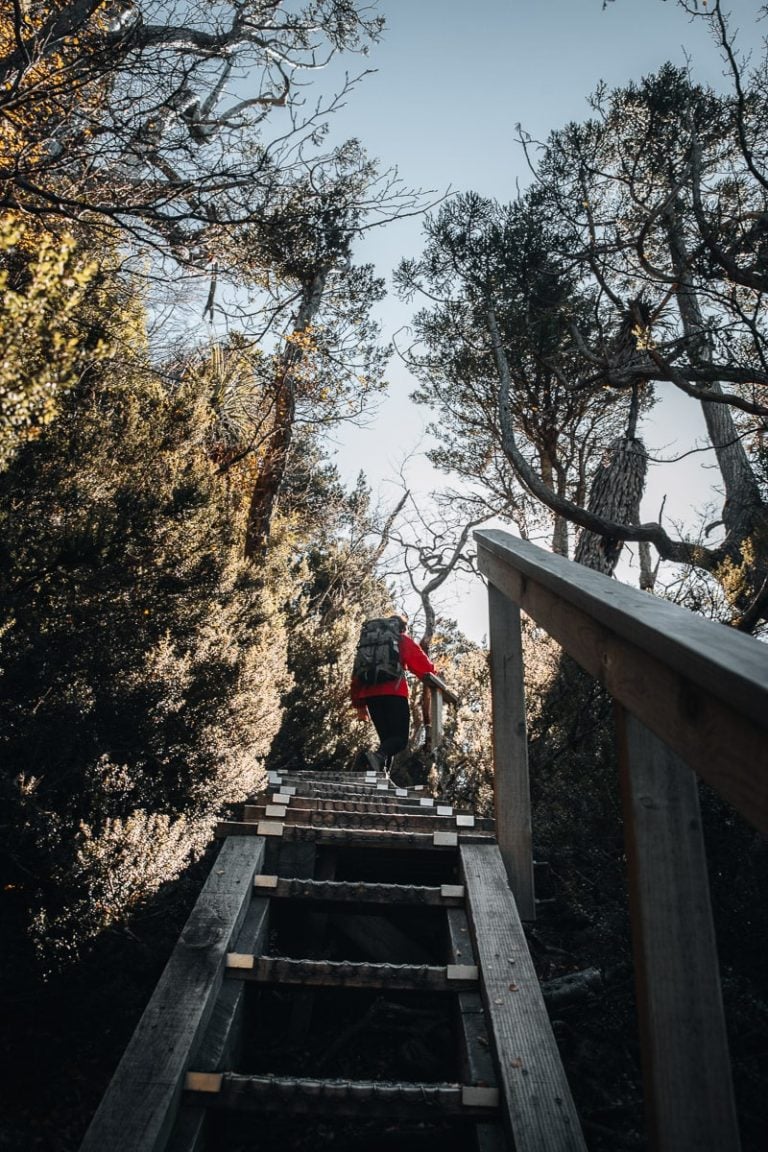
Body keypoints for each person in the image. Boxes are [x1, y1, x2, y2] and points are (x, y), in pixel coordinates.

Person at [350, 613, 437, 775]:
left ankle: (381, 775)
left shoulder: (370, 643)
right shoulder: (400, 639)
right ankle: (374, 758)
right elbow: (425, 667)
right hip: (394, 695)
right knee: (400, 740)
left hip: (371, 696)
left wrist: (359, 705)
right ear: (402, 627)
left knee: (387, 742)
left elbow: (356, 674)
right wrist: (434, 673)